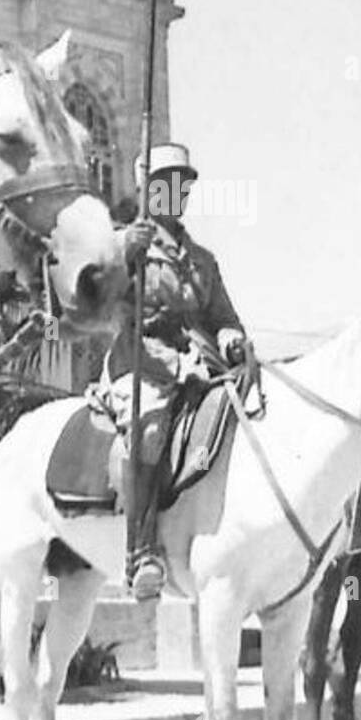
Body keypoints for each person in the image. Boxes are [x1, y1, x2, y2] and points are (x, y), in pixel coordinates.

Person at [102, 143, 247, 602]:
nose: (176, 193)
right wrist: (125, 250)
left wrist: (229, 338)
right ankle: (141, 551)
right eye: (166, 185)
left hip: (203, 366)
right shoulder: (128, 246)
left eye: (183, 186)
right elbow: (113, 310)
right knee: (149, 430)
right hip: (143, 363)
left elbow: (224, 316)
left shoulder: (202, 258)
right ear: (146, 189)